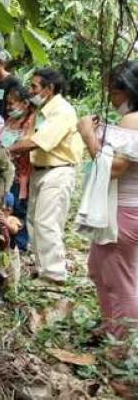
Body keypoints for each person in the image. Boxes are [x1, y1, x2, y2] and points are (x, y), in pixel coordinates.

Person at [78, 61, 138, 339]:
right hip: (125, 209)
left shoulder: (132, 119)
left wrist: (88, 135)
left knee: (119, 278)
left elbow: (115, 168)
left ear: (128, 90)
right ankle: (111, 328)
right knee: (100, 268)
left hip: (124, 210)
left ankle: (124, 348)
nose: (110, 98)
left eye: (113, 92)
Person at [9, 68, 83, 284]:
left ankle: (54, 274)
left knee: (46, 222)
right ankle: (43, 268)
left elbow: (37, 141)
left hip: (58, 171)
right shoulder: (42, 111)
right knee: (34, 220)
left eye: (34, 87)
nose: (30, 91)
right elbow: (28, 137)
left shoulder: (62, 111)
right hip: (40, 170)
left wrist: (8, 150)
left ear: (49, 89)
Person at [0, 86, 35, 252]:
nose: (8, 108)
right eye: (7, 104)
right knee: (7, 206)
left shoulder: (31, 121)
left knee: (20, 208)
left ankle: (20, 245)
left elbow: (27, 144)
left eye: (11, 104)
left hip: (22, 174)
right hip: (7, 172)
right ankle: (9, 241)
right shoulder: (10, 121)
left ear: (25, 103)